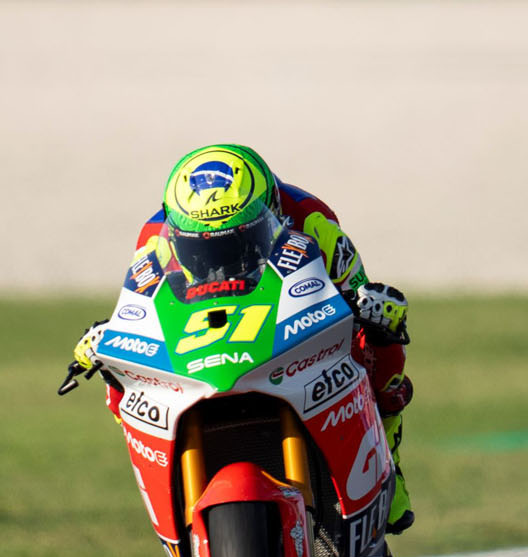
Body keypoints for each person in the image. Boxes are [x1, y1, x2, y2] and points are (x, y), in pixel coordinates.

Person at [73, 144, 415, 533]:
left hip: (281, 312)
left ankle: (389, 462)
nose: (220, 257)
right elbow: (141, 309)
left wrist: (375, 309)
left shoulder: (314, 223)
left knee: (376, 344)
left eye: (236, 241)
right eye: (201, 247)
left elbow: (357, 292)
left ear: (273, 213)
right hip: (205, 329)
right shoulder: (155, 239)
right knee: (120, 377)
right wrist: (105, 341)